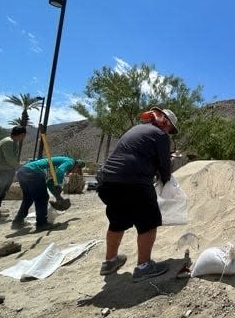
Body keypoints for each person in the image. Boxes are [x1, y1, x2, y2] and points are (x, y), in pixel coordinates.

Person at [97, 106, 178, 282]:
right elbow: (164, 165)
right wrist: (167, 181)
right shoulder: (161, 135)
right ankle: (144, 266)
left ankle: (109, 262)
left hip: (108, 181)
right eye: (170, 128)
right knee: (148, 222)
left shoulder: (136, 129)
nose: (169, 132)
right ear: (165, 122)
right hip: (133, 181)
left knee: (117, 221)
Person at [11, 156, 84, 231]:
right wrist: (59, 184)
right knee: (42, 198)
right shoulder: (70, 161)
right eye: (77, 171)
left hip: (23, 171)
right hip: (34, 172)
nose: (74, 173)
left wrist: (58, 197)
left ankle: (17, 222)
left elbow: (49, 184)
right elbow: (60, 170)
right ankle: (42, 224)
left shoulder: (59, 164)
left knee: (28, 199)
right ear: (77, 166)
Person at [0, 126, 27, 221]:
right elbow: (10, 159)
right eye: (24, 135)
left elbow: (11, 159)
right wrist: (21, 168)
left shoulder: (13, 142)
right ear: (21, 134)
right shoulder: (8, 142)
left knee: (2, 192)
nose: (24, 137)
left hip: (6, 170)